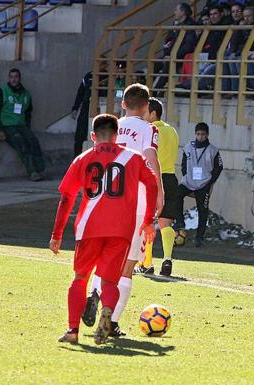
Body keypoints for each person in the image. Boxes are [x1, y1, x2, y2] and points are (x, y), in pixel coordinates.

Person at [50, 114, 157, 345]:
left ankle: (72, 330)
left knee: (80, 278)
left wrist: (56, 234)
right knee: (110, 281)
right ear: (117, 135)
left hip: (89, 227)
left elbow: (66, 198)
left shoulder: (82, 158)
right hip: (121, 230)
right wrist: (148, 220)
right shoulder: (134, 157)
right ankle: (107, 311)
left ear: (93, 136)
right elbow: (152, 184)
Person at [85, 84, 164, 337]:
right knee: (128, 266)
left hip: (108, 201)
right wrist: (159, 192)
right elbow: (150, 159)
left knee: (107, 260)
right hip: (136, 204)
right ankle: (113, 322)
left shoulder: (111, 127)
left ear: (123, 105)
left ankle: (95, 293)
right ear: (146, 107)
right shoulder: (148, 129)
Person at [136, 98, 179, 277]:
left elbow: (148, 157)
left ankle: (147, 263)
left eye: (145, 112)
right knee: (165, 223)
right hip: (171, 178)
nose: (143, 116)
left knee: (148, 221)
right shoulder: (172, 131)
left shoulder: (151, 131)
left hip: (154, 178)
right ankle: (167, 259)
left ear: (153, 113)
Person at [175, 122, 223, 247]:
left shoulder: (213, 150)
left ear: (207, 135)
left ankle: (199, 237)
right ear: (195, 134)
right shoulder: (188, 147)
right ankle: (180, 223)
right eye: (198, 134)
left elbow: (219, 167)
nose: (200, 137)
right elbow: (184, 164)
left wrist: (210, 182)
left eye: (203, 134)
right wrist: (186, 175)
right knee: (176, 195)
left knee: (203, 210)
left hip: (203, 184)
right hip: (189, 181)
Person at [0, 68, 45, 181]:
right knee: (20, 142)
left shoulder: (26, 94)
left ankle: (40, 169)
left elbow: (28, 113)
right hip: (7, 126)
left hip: (22, 125)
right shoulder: (2, 91)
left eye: (16, 77)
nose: (13, 79)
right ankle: (32, 172)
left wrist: (27, 127)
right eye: (11, 77)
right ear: (9, 78)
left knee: (33, 140)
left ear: (19, 78)